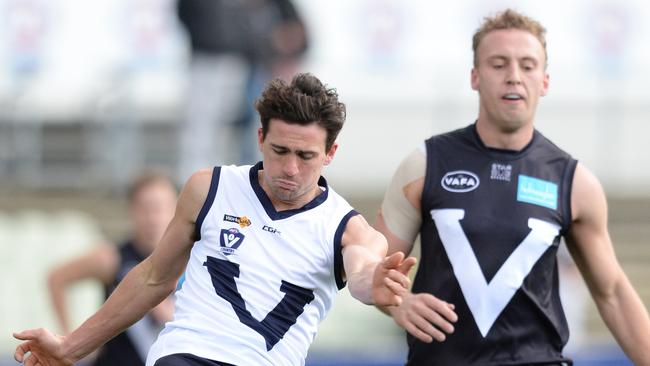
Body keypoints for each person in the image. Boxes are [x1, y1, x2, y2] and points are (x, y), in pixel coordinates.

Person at [14, 73, 417, 366]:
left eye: (306, 156)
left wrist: (372, 285)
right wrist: (71, 346)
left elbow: (364, 272)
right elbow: (154, 277)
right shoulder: (210, 188)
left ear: (330, 154)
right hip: (187, 355)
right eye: (279, 151)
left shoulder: (349, 229)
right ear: (260, 139)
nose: (290, 168)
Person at [374, 9, 650, 365]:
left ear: (545, 81)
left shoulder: (575, 182)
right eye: (499, 64)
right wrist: (399, 304)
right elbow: (372, 266)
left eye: (528, 65)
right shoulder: (424, 164)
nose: (514, 77)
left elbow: (612, 293)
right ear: (475, 77)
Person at [47, 172, 178, 366]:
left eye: (160, 208)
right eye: (145, 208)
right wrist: (69, 340)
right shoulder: (113, 258)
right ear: (132, 210)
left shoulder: (191, 260)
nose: (153, 218)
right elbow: (56, 279)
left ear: (176, 209)